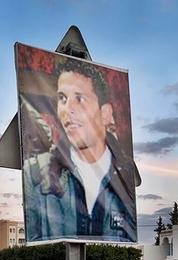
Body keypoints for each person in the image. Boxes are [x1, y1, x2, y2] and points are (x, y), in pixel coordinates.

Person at [22, 57, 137, 243]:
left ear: (105, 113)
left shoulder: (126, 174)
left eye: (79, 98)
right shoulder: (34, 173)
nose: (68, 109)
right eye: (62, 98)